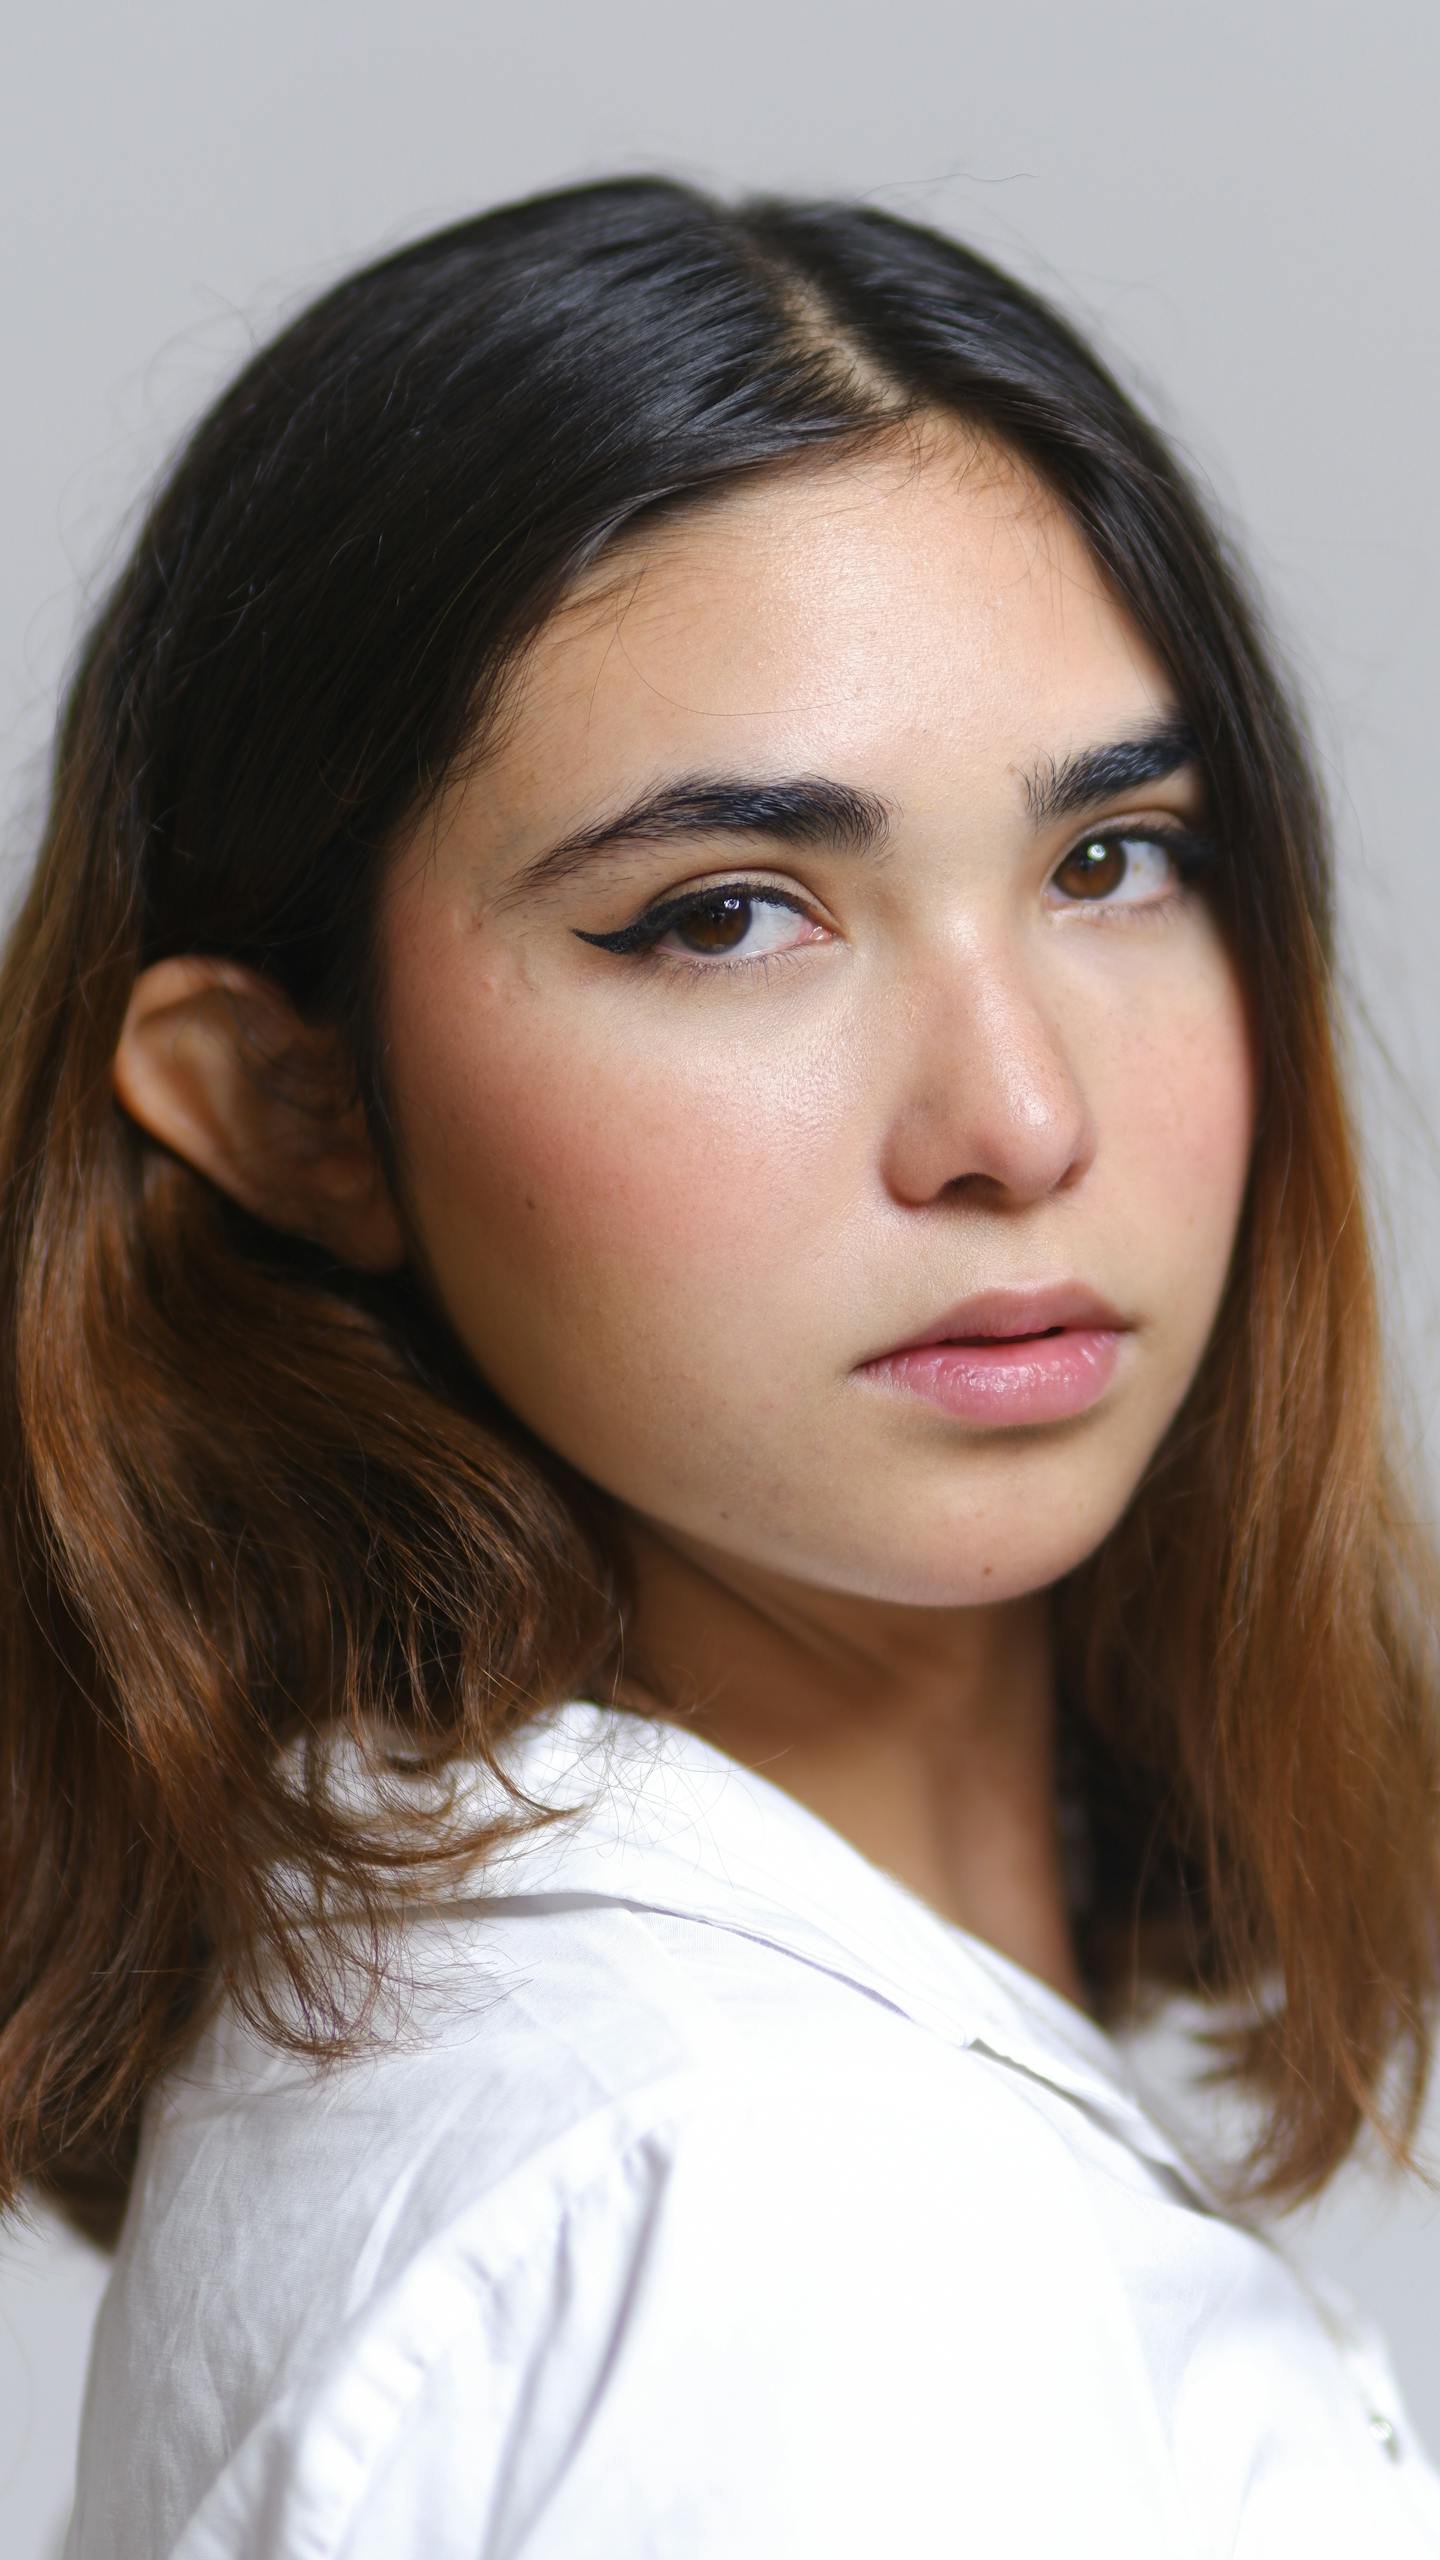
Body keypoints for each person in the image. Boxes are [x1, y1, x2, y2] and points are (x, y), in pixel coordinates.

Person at [2, 174, 1439, 2556]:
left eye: (1116, 858)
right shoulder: (777, 2215)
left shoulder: (529, 2048)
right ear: (302, 1106)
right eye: (728, 914)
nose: (1019, 1116)